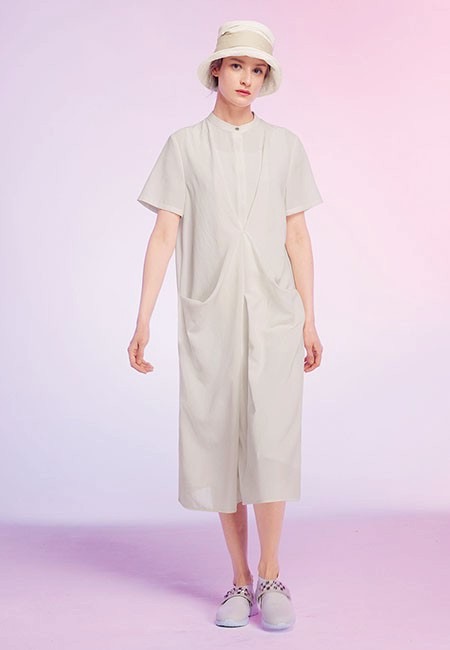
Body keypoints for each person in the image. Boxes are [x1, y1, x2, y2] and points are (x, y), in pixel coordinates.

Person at [128, 19, 324, 632]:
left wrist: (310, 319)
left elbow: (297, 236)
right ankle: (238, 578)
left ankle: (271, 573)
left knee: (270, 440)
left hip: (275, 315)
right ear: (216, 69)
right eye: (237, 65)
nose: (247, 78)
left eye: (257, 69)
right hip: (210, 318)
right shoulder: (185, 146)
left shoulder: (286, 146)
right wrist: (142, 319)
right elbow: (165, 234)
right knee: (219, 441)